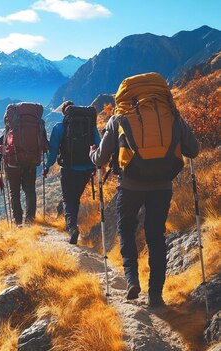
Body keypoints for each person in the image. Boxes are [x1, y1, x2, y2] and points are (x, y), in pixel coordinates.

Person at [90, 72, 199, 307]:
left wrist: (92, 153)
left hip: (130, 185)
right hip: (162, 185)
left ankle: (131, 280)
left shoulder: (119, 117)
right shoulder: (172, 115)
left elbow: (100, 157)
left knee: (126, 229)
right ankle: (156, 295)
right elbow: (193, 150)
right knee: (155, 236)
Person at [43, 101, 101, 244]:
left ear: (65, 113)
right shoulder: (90, 126)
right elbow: (99, 145)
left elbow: (53, 150)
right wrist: (95, 165)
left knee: (68, 199)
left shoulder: (59, 128)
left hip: (68, 169)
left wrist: (47, 166)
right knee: (75, 198)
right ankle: (73, 225)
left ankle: (71, 228)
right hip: (86, 169)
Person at [0, 102, 48, 226]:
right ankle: (30, 220)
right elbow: (44, 144)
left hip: (13, 163)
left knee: (14, 193)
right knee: (30, 190)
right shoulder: (37, 124)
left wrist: (3, 153)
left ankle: (18, 222)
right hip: (31, 161)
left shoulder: (12, 127)